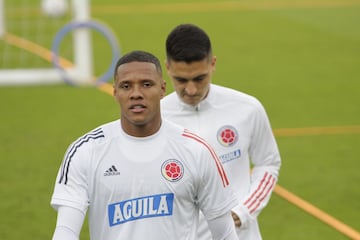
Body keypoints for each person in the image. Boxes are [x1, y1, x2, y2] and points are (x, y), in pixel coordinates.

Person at [50, 50, 239, 240]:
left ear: (163, 89)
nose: (136, 94)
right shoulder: (85, 151)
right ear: (115, 92)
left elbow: (225, 234)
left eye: (146, 85)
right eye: (126, 86)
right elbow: (66, 231)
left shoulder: (197, 151)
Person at [161, 24, 282, 240]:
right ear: (168, 68)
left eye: (199, 78)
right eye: (181, 80)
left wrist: (243, 212)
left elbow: (268, 162)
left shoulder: (247, 108)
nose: (191, 90)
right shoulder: (155, 118)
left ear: (213, 64)